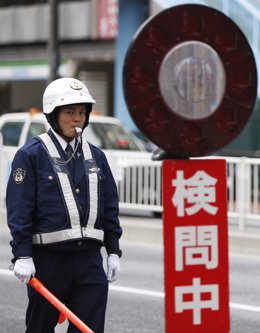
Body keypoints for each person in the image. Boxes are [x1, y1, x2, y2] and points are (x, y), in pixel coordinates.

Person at [6, 77, 122, 333]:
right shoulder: (31, 155)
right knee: (40, 328)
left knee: (88, 329)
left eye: (82, 112)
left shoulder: (97, 156)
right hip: (49, 262)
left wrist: (113, 250)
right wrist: (23, 255)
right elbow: (19, 210)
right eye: (69, 112)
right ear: (52, 115)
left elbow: (110, 207)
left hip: (89, 261)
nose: (77, 119)